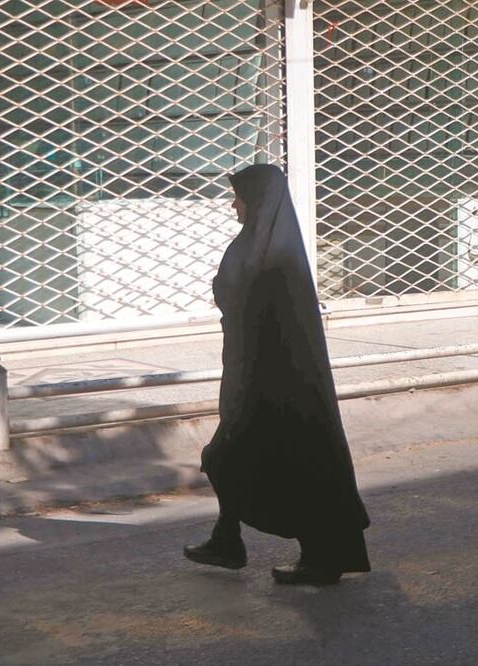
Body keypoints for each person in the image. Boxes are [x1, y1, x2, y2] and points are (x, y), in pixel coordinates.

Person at [184, 164, 371, 585]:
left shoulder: (270, 254)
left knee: (232, 458)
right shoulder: (266, 246)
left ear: (257, 201)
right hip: (265, 382)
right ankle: (231, 540)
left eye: (239, 197)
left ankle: (246, 545)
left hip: (272, 387)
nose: (234, 204)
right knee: (270, 463)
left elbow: (244, 301)